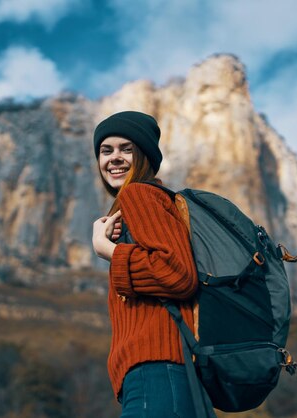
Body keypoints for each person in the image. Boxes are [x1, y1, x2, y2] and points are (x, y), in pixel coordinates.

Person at [91, 111, 200, 417]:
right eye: (106, 150)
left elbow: (177, 273)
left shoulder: (140, 194)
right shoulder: (139, 202)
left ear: (144, 156)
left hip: (156, 369)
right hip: (159, 371)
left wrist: (107, 251)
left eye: (126, 149)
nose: (114, 158)